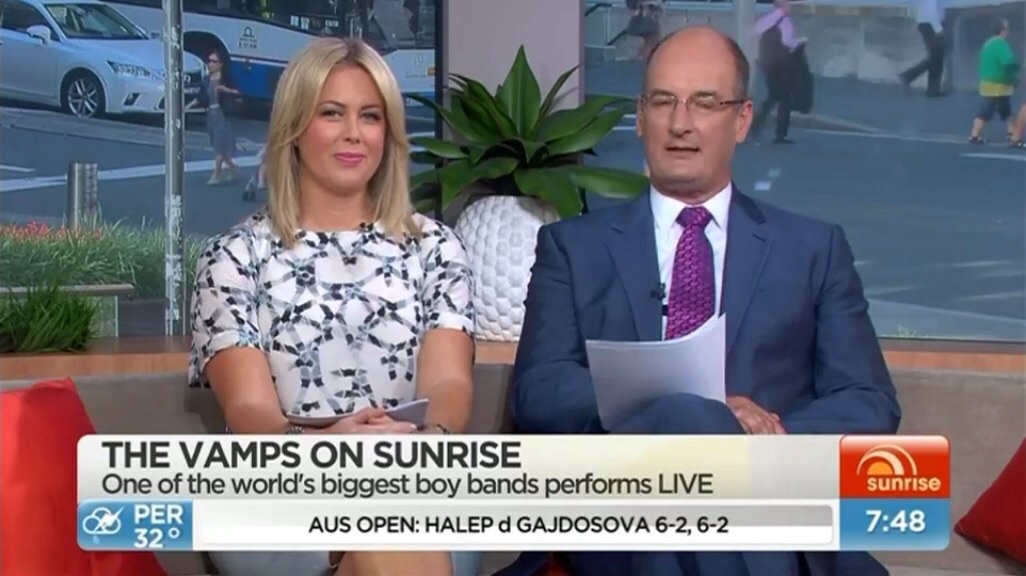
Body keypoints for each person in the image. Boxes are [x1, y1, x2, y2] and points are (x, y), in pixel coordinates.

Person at [498, 26, 899, 576]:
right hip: (618, 512)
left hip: (770, 503)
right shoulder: (573, 248)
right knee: (689, 416)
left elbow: (867, 402)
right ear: (641, 117)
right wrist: (696, 410)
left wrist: (762, 434)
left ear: (742, 119)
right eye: (664, 101)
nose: (680, 123)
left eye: (705, 103)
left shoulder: (813, 248)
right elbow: (538, 392)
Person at [188, 37, 481, 576]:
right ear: (295, 128)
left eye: (370, 116)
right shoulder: (234, 256)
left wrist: (425, 444)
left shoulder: (436, 250)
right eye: (331, 113)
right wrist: (327, 448)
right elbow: (250, 411)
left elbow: (449, 385)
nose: (353, 133)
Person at [751, 0, 805, 144]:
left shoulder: (772, 18)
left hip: (769, 64)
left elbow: (757, 29)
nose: (790, 6)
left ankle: (757, 124)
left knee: (775, 96)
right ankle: (777, 132)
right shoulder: (782, 19)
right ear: (783, 5)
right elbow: (787, 41)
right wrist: (800, 42)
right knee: (783, 98)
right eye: (788, 3)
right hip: (781, 65)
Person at [187, 50, 242, 185]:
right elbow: (201, 97)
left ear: (221, 64)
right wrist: (187, 107)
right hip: (211, 115)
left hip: (222, 114)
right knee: (218, 146)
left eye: (214, 61)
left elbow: (238, 92)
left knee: (219, 144)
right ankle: (233, 168)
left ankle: (216, 175)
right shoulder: (207, 79)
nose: (210, 64)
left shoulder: (225, 79)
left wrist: (225, 90)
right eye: (209, 61)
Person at [968, 19, 1020, 145]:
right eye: (1007, 29)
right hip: (998, 85)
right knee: (987, 112)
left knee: (1006, 110)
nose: (1008, 31)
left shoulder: (988, 43)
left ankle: (1012, 133)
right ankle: (974, 135)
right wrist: (1018, 66)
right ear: (1002, 30)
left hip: (988, 83)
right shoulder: (1001, 44)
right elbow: (1008, 61)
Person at [899, 0, 946, 97]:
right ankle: (910, 76)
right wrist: (938, 29)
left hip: (928, 25)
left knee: (935, 58)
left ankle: (910, 76)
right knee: (936, 58)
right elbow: (931, 11)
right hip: (930, 26)